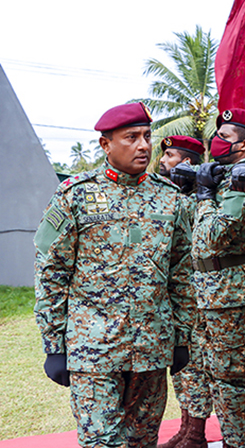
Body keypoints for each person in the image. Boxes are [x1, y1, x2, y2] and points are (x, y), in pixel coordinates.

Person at [34, 102, 195, 447]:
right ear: (106, 144)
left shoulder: (170, 198)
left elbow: (182, 272)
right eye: (131, 137)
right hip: (93, 349)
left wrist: (182, 338)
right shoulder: (75, 196)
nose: (144, 145)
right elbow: (51, 272)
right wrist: (54, 346)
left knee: (142, 441)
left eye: (147, 137)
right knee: (101, 442)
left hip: (152, 348)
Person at [189, 108, 245, 448]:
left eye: (224, 137)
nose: (215, 142)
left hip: (231, 300)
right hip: (205, 295)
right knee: (209, 377)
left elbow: (212, 236)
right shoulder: (219, 179)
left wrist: (204, 197)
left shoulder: (244, 182)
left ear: (244, 145)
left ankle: (240, 444)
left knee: (233, 384)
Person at [157, 136, 212, 448]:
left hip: (200, 295)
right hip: (175, 294)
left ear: (189, 162)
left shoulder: (203, 197)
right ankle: (185, 428)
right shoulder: (169, 196)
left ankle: (196, 433)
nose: (164, 161)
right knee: (181, 368)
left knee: (195, 364)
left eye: (171, 155)